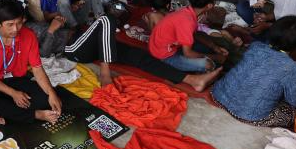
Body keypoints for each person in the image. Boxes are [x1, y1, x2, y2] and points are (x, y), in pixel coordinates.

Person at [64, 13, 221, 91]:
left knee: (140, 56)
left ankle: (192, 80)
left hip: (87, 39)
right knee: (106, 19)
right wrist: (52, 30)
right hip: (72, 47)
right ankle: (105, 73)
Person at [0, 0, 62, 125]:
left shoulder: (29, 35)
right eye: (10, 24)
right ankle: (36, 114)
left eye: (19, 23)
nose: (16, 29)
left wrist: (51, 92)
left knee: (47, 99)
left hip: (16, 79)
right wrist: (13, 93)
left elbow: (37, 68)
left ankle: (3, 110)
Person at [212, 16, 296, 128]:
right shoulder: (294, 68)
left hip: (218, 96)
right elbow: (294, 101)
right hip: (246, 115)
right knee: (292, 112)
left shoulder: (255, 46)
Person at [147, 0, 222, 72]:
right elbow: (188, 53)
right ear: (209, 5)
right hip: (164, 55)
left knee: (207, 49)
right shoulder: (187, 21)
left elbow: (193, 34)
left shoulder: (187, 10)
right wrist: (216, 58)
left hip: (169, 45)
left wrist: (214, 47)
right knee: (208, 64)